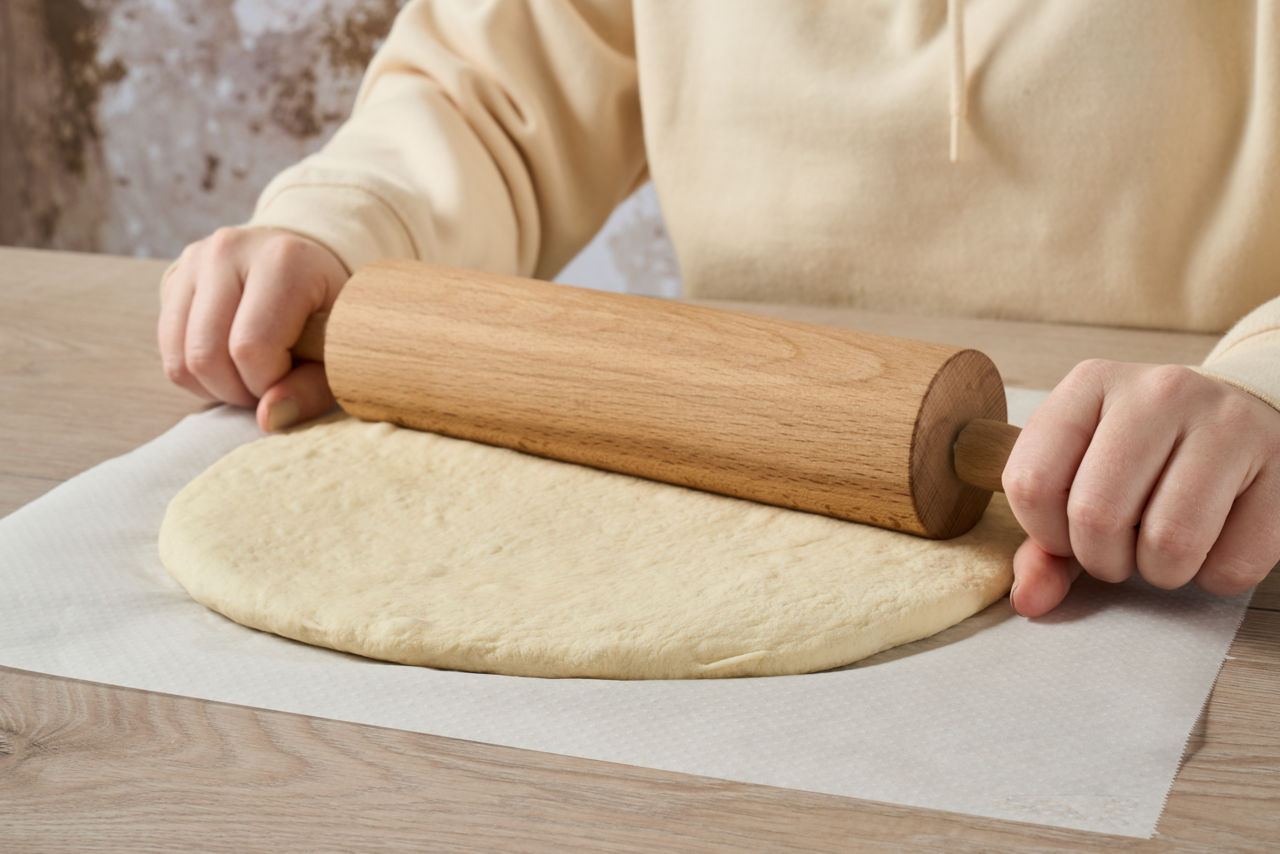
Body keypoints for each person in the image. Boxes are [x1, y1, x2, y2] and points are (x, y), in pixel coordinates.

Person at [157, 0, 1280, 618]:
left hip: (1191, 512)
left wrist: (1258, 390)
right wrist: (348, 228)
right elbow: (491, 94)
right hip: (735, 470)